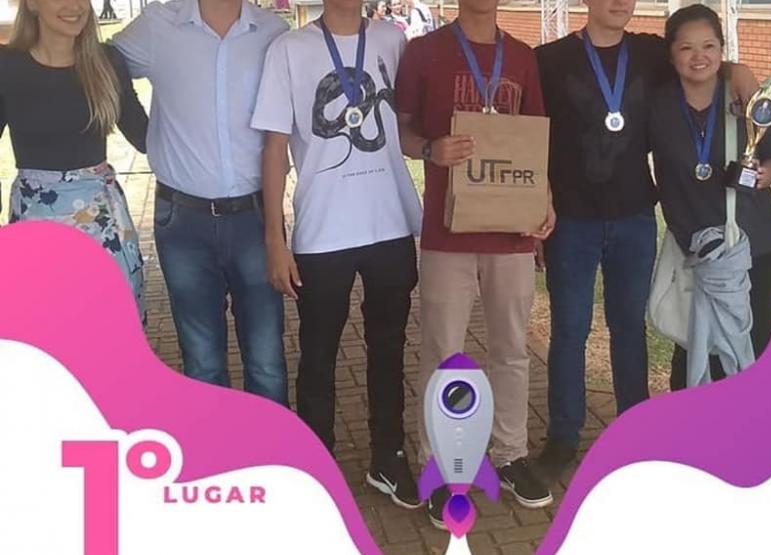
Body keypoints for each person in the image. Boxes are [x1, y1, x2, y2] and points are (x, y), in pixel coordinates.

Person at [532, 0, 759, 482]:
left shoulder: (651, 53)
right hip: (572, 221)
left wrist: (738, 69)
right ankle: (564, 434)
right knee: (569, 331)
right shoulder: (549, 60)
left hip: (635, 215)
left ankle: (633, 427)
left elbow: (701, 58)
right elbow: (532, 137)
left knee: (628, 327)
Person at [252, 0, 423, 509]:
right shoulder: (289, 49)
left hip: (390, 225)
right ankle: (316, 460)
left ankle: (388, 457)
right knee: (319, 355)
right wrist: (274, 239)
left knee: (389, 350)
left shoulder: (394, 40)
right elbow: (274, 148)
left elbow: (413, 130)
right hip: (322, 233)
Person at [396, 0, 556, 528]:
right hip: (447, 232)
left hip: (511, 232)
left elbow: (534, 142)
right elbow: (402, 132)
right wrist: (430, 149)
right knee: (444, 354)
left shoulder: (523, 57)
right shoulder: (424, 52)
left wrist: (545, 202)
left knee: (512, 350)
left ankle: (509, 454)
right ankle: (440, 467)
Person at [112, 0, 291, 405]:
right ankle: (216, 460)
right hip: (183, 224)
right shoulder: (158, 25)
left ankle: (274, 460)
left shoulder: (273, 33)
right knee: (202, 363)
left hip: (254, 219)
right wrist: (140, 130)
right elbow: (99, 68)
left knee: (266, 361)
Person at [650, 4, 771, 390]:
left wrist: (763, 176)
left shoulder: (747, 99)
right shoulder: (656, 105)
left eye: (709, 46)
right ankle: (689, 439)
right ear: (671, 54)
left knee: (752, 347)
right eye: (687, 48)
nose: (699, 57)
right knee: (693, 347)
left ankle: (746, 439)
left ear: (722, 49)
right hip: (695, 248)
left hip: (752, 244)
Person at [2, 0, 147, 320]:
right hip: (36, 224)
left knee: (112, 336)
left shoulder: (107, 61)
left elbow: (146, 138)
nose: (74, 5)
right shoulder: (7, 67)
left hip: (104, 226)